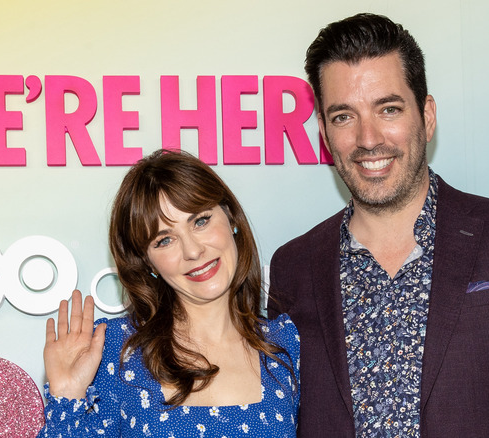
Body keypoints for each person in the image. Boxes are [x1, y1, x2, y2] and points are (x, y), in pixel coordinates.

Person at [267, 13, 489, 437]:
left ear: (426, 115)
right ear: (323, 132)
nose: (368, 139)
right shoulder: (293, 266)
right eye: (343, 116)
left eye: (388, 109)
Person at [41, 150, 299, 437]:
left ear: (231, 217)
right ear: (147, 262)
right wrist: (67, 396)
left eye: (200, 221)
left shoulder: (285, 344)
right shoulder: (111, 352)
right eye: (164, 240)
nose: (193, 251)